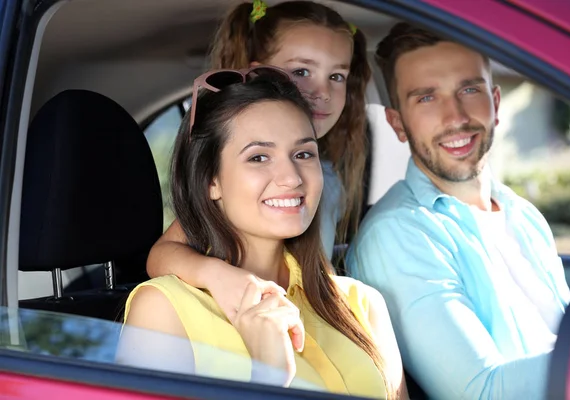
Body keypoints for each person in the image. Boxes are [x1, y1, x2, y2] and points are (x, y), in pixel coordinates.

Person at [119, 69, 406, 399]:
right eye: (258, 157)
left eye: (303, 154)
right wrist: (266, 378)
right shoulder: (164, 309)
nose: (291, 177)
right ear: (211, 181)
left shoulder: (362, 304)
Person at [346, 22, 570, 400]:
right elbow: (480, 392)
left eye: (469, 89)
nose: (455, 117)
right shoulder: (398, 234)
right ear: (397, 124)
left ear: (496, 104)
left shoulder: (524, 214)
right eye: (426, 98)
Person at [145, 0, 372, 322]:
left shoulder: (325, 178)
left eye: (336, 76)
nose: (321, 91)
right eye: (301, 72)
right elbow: (163, 253)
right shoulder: (233, 182)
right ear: (263, 75)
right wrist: (216, 275)